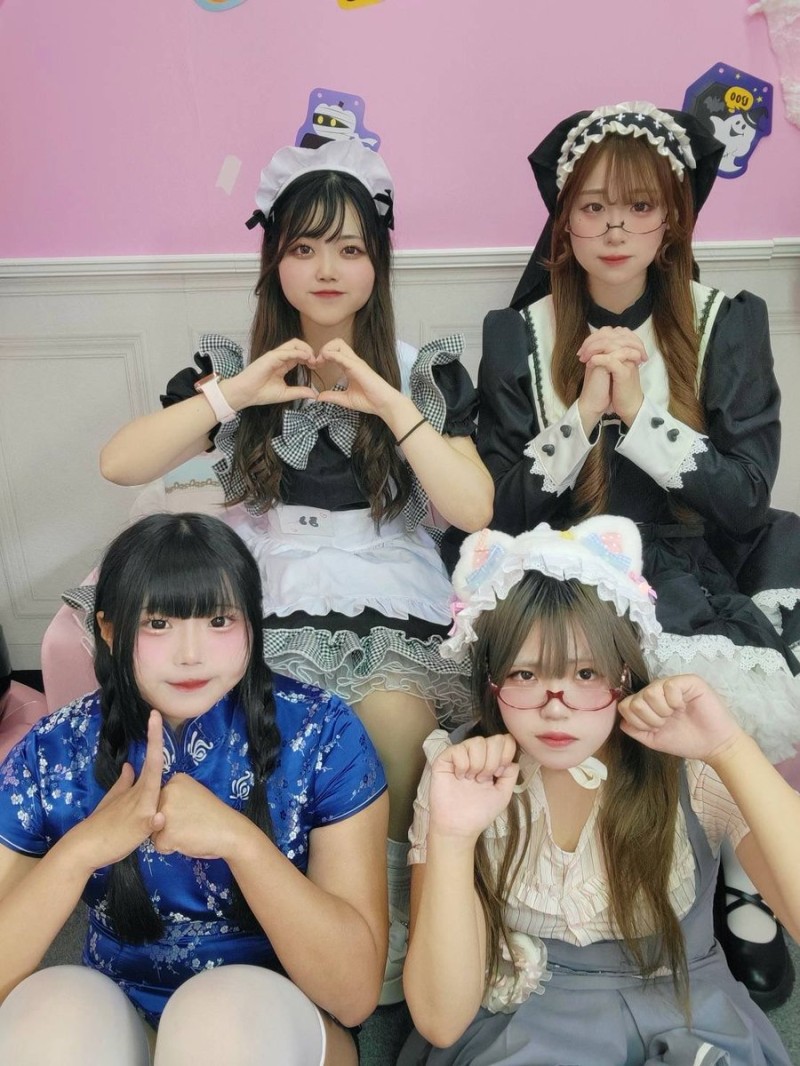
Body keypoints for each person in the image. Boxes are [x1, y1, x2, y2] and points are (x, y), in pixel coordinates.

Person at [97, 138, 494, 1003]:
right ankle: (273, 908)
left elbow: (472, 507)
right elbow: (120, 464)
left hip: (386, 573)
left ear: (378, 262)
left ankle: (382, 924)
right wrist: (235, 394)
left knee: (395, 723)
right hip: (270, 571)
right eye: (304, 246)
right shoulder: (234, 371)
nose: (326, 269)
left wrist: (385, 397)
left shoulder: (423, 369)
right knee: (260, 725)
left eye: (349, 248)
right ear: (274, 259)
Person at [475, 101, 800, 1007]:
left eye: (640, 206)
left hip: (685, 566)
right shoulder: (519, 333)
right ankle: (561, 887)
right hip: (557, 566)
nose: (615, 228)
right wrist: (584, 415)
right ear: (564, 221)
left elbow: (744, 497)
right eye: (592, 207)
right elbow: (498, 510)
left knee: (710, 703)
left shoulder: (727, 318)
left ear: (672, 220)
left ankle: (739, 875)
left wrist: (643, 418)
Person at [399, 515, 798, 1066]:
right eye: (525, 675)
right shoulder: (461, 769)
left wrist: (731, 749)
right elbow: (441, 1021)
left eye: (586, 674)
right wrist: (451, 836)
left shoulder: (684, 756)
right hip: (527, 1025)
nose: (555, 708)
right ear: (490, 679)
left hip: (688, 1010)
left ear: (624, 671)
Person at [0, 513, 389, 1065]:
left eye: (219, 620)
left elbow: (353, 995)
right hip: (117, 1021)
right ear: (108, 630)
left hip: (274, 1024)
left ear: (252, 622)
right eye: (158, 623)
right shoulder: (53, 749)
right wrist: (82, 848)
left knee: (218, 1019)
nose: (191, 654)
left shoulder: (323, 732)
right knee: (55, 1006)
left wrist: (241, 842)